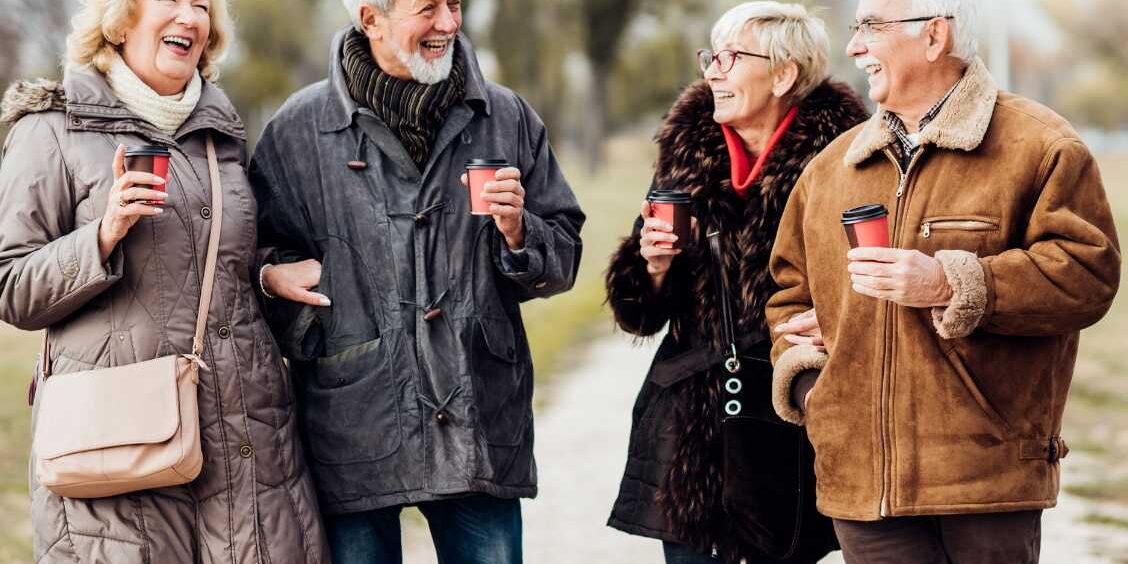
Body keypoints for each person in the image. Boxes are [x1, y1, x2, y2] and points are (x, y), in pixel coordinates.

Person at [766, 0, 1121, 562]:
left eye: (871, 28)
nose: (854, 46)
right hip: (860, 488)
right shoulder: (829, 170)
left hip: (985, 481)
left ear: (934, 36)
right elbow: (788, 295)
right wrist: (814, 388)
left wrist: (952, 284)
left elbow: (1087, 274)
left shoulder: (1042, 146)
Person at [247, 0, 585, 562]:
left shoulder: (505, 117)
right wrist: (282, 289)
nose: (448, 23)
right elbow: (254, 258)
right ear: (370, 18)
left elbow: (565, 255)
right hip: (353, 429)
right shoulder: (297, 130)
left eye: (455, 4)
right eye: (428, 8)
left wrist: (520, 232)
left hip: (479, 425)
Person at [0, 0, 330, 562]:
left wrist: (267, 274)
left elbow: (212, 258)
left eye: (201, 5)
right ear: (121, 18)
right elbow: (11, 285)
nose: (189, 16)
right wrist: (103, 234)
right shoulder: (52, 129)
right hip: (120, 460)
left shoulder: (220, 135)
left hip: (247, 452)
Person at [604, 3, 868, 563]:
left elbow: (869, 273)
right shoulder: (686, 154)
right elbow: (640, 315)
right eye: (711, 57)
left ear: (784, 74)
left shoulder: (845, 161)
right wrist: (653, 266)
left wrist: (837, 320)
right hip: (694, 427)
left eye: (731, 58)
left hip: (792, 415)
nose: (713, 72)